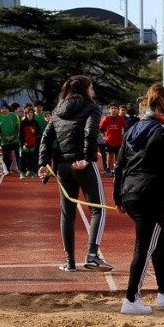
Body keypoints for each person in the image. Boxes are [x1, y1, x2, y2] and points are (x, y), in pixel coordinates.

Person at [114, 84, 164, 315]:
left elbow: (119, 164)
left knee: (161, 242)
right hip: (150, 195)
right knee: (145, 246)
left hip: (132, 193)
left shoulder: (132, 129)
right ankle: (131, 299)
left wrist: (118, 196)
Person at [37, 75, 112, 273]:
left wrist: (43, 163)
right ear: (84, 89)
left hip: (62, 166)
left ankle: (69, 261)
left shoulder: (57, 110)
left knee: (67, 214)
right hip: (82, 164)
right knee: (98, 210)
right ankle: (92, 255)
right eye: (91, 87)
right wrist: (87, 158)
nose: (93, 90)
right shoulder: (91, 107)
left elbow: (46, 137)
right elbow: (90, 132)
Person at [99, 103, 129, 176]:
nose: (113, 110)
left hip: (119, 141)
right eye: (112, 108)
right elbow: (101, 129)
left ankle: (117, 170)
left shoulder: (120, 119)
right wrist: (103, 136)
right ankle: (111, 170)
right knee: (110, 155)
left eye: (115, 108)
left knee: (118, 157)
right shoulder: (106, 118)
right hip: (109, 141)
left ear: (117, 110)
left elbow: (125, 127)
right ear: (109, 110)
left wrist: (124, 136)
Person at [0, 101, 21, 174]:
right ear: (0, 110)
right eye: (2, 108)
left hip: (14, 140)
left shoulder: (13, 115)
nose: (4, 109)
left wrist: (13, 136)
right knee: (5, 156)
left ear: (8, 108)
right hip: (4, 140)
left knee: (17, 155)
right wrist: (4, 137)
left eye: (5, 108)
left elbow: (17, 127)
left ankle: (20, 169)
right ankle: (7, 170)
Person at [18, 106, 41, 178]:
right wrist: (23, 144)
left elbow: (38, 133)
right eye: (29, 113)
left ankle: (31, 171)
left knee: (32, 159)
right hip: (25, 144)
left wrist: (35, 132)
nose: (30, 114)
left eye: (32, 112)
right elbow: (20, 135)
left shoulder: (35, 122)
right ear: (26, 114)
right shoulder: (23, 123)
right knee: (23, 159)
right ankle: (22, 172)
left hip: (33, 144)